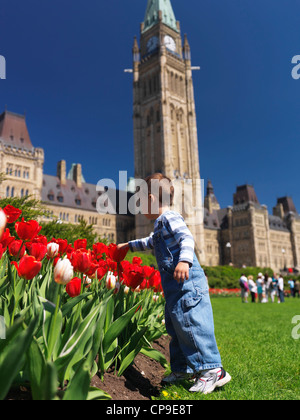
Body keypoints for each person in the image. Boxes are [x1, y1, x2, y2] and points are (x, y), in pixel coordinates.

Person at [117, 173, 231, 394]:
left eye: (140, 202)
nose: (139, 209)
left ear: (151, 199)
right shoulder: (160, 225)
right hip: (175, 288)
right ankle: (182, 369)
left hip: (187, 284)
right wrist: (128, 245)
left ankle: (212, 370)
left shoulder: (170, 218)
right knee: (176, 327)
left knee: (191, 325)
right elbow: (150, 242)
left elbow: (187, 238)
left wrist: (184, 261)